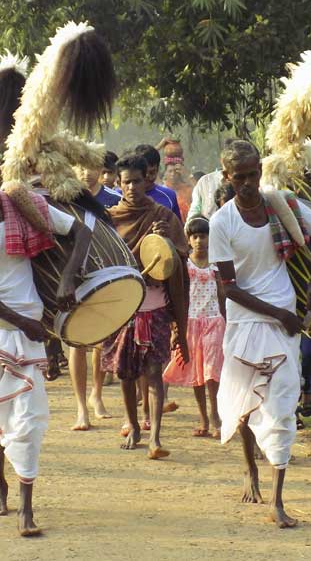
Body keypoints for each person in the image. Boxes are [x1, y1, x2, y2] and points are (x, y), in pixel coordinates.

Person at [0, 143, 91, 537]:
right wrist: (20, 323)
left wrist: (66, 280)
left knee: (28, 419)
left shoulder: (22, 204)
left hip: (27, 329)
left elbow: (80, 232)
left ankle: (27, 508)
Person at [209, 140, 311, 528]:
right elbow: (230, 288)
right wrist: (280, 315)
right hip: (247, 319)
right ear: (227, 177)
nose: (249, 183)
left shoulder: (278, 203)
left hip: (284, 315)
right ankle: (250, 468)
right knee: (248, 402)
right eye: (240, 177)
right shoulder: (221, 223)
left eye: (253, 174)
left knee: (283, 401)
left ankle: (278, 500)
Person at [104, 152, 190, 460]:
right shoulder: (110, 218)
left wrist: (166, 243)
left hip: (155, 306)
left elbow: (182, 256)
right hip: (122, 306)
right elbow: (102, 262)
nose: (131, 188)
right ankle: (132, 424)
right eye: (126, 182)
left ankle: (155, 435)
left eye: (137, 181)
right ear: (118, 182)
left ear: (146, 181)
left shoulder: (163, 217)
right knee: (125, 373)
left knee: (154, 372)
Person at [66, 156, 119, 430]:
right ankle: (80, 408)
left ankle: (97, 395)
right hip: (74, 276)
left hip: (105, 274)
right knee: (76, 343)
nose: (87, 173)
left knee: (100, 341)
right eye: (81, 167)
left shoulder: (114, 198)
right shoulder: (65, 198)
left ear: (102, 170)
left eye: (92, 167)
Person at [162, 217, 225, 438]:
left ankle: (216, 414)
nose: (199, 241)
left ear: (210, 238)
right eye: (195, 236)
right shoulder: (184, 265)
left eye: (203, 236)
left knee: (212, 373)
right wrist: (175, 328)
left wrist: (228, 322)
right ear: (188, 239)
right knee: (197, 373)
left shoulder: (217, 264)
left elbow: (223, 295)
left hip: (214, 322)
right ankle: (203, 417)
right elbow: (175, 296)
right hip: (190, 323)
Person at [133, 143, 182, 220]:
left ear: (158, 170)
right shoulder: (120, 195)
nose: (147, 176)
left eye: (152, 172)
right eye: (144, 173)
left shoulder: (169, 195)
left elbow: (177, 228)